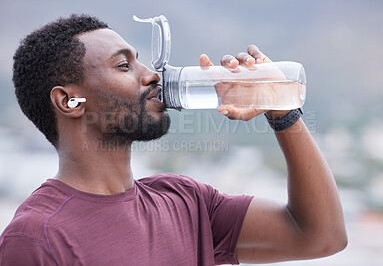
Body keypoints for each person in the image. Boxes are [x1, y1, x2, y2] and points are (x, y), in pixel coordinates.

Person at [0, 14, 347, 265]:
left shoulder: (185, 201)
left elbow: (320, 236)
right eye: (124, 66)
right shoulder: (37, 238)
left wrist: (281, 108)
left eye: (140, 61)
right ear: (69, 101)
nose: (151, 75)